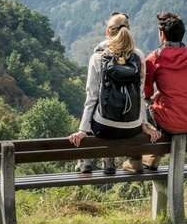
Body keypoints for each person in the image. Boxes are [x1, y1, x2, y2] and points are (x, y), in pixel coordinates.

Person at [67, 11, 160, 174]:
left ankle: (87, 161)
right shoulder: (138, 56)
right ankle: (107, 161)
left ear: (108, 32)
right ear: (128, 31)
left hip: (105, 128)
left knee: (95, 113)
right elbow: (140, 95)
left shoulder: (98, 57)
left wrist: (83, 130)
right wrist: (145, 126)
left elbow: (92, 97)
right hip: (133, 127)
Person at [142, 11, 187, 170]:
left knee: (139, 105)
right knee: (169, 111)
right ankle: (153, 156)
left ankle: (144, 156)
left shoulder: (154, 58)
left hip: (169, 122)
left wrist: (156, 96)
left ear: (162, 35)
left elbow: (145, 93)